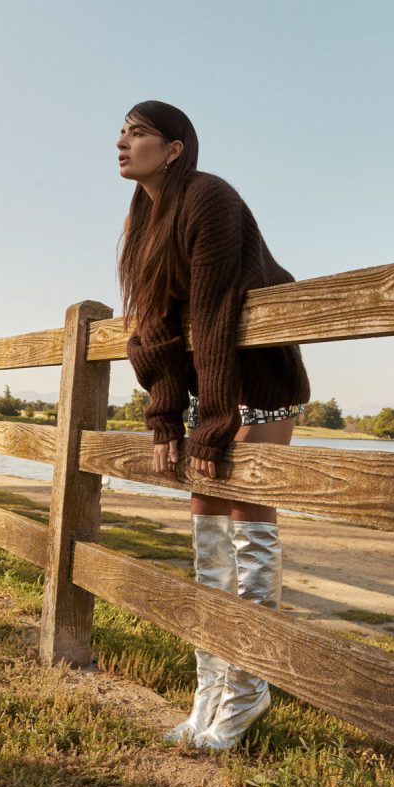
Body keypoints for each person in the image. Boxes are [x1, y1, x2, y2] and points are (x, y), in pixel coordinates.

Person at [117, 100, 310, 749]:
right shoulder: (144, 221)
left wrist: (214, 420)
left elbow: (214, 311)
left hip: (258, 387)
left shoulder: (209, 199)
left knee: (246, 531)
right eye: (122, 131)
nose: (122, 141)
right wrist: (167, 416)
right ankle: (209, 691)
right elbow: (151, 333)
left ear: (174, 148)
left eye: (137, 132)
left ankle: (248, 691)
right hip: (211, 393)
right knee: (208, 545)